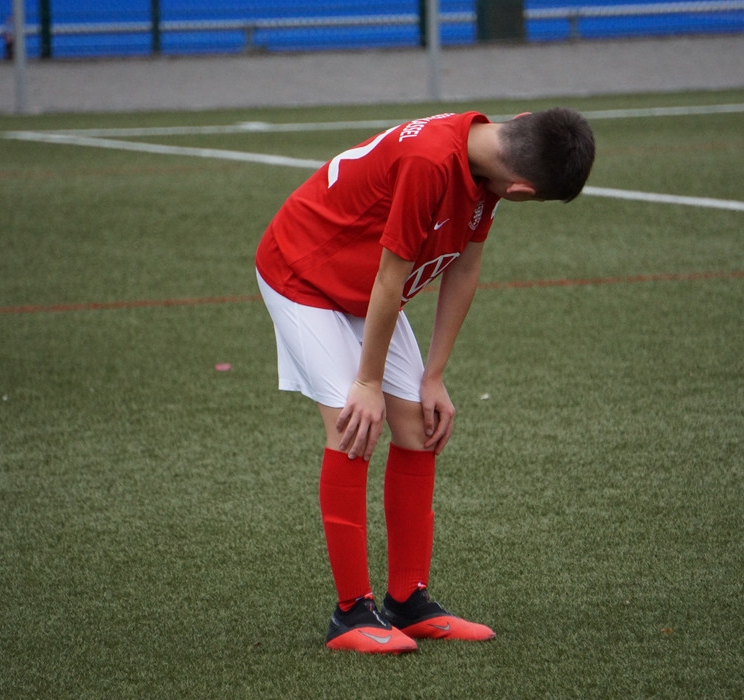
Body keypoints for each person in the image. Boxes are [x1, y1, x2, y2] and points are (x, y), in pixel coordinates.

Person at [255, 108, 595, 654]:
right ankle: (350, 614)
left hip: (363, 285)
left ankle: (407, 602)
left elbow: (464, 266)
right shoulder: (430, 162)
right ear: (523, 191)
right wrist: (367, 384)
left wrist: (433, 375)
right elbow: (391, 277)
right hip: (303, 273)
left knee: (417, 423)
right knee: (353, 426)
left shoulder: (486, 163)